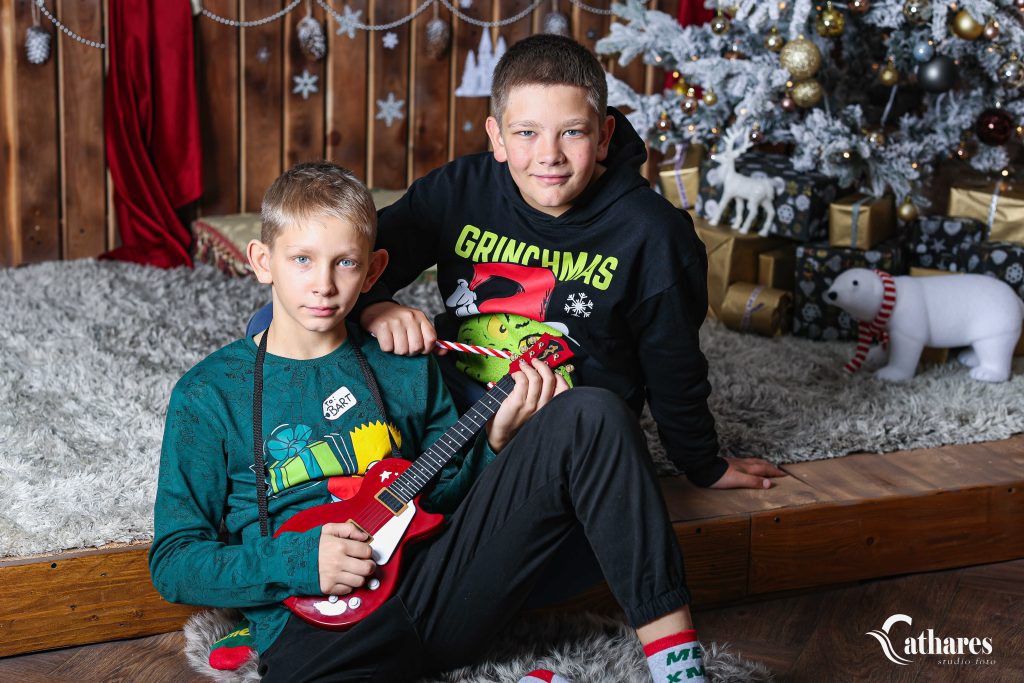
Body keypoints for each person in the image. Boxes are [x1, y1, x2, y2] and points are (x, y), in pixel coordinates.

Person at [151, 161, 710, 683]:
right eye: (301, 260)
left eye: (345, 262)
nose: (323, 283)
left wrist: (494, 443)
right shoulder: (208, 394)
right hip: (313, 632)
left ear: (373, 270)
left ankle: (679, 667)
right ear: (261, 261)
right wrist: (299, 562)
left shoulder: (404, 364)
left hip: (438, 593)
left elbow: (441, 500)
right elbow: (174, 563)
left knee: (593, 412)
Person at [247, 34, 784, 492]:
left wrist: (702, 463)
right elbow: (353, 263)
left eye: (572, 132)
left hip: (559, 416)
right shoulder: (459, 189)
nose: (549, 154)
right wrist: (376, 304)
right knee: (277, 322)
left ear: (603, 137)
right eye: (526, 132)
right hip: (452, 393)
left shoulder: (654, 234)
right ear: (497, 137)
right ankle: (303, 460)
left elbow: (674, 363)